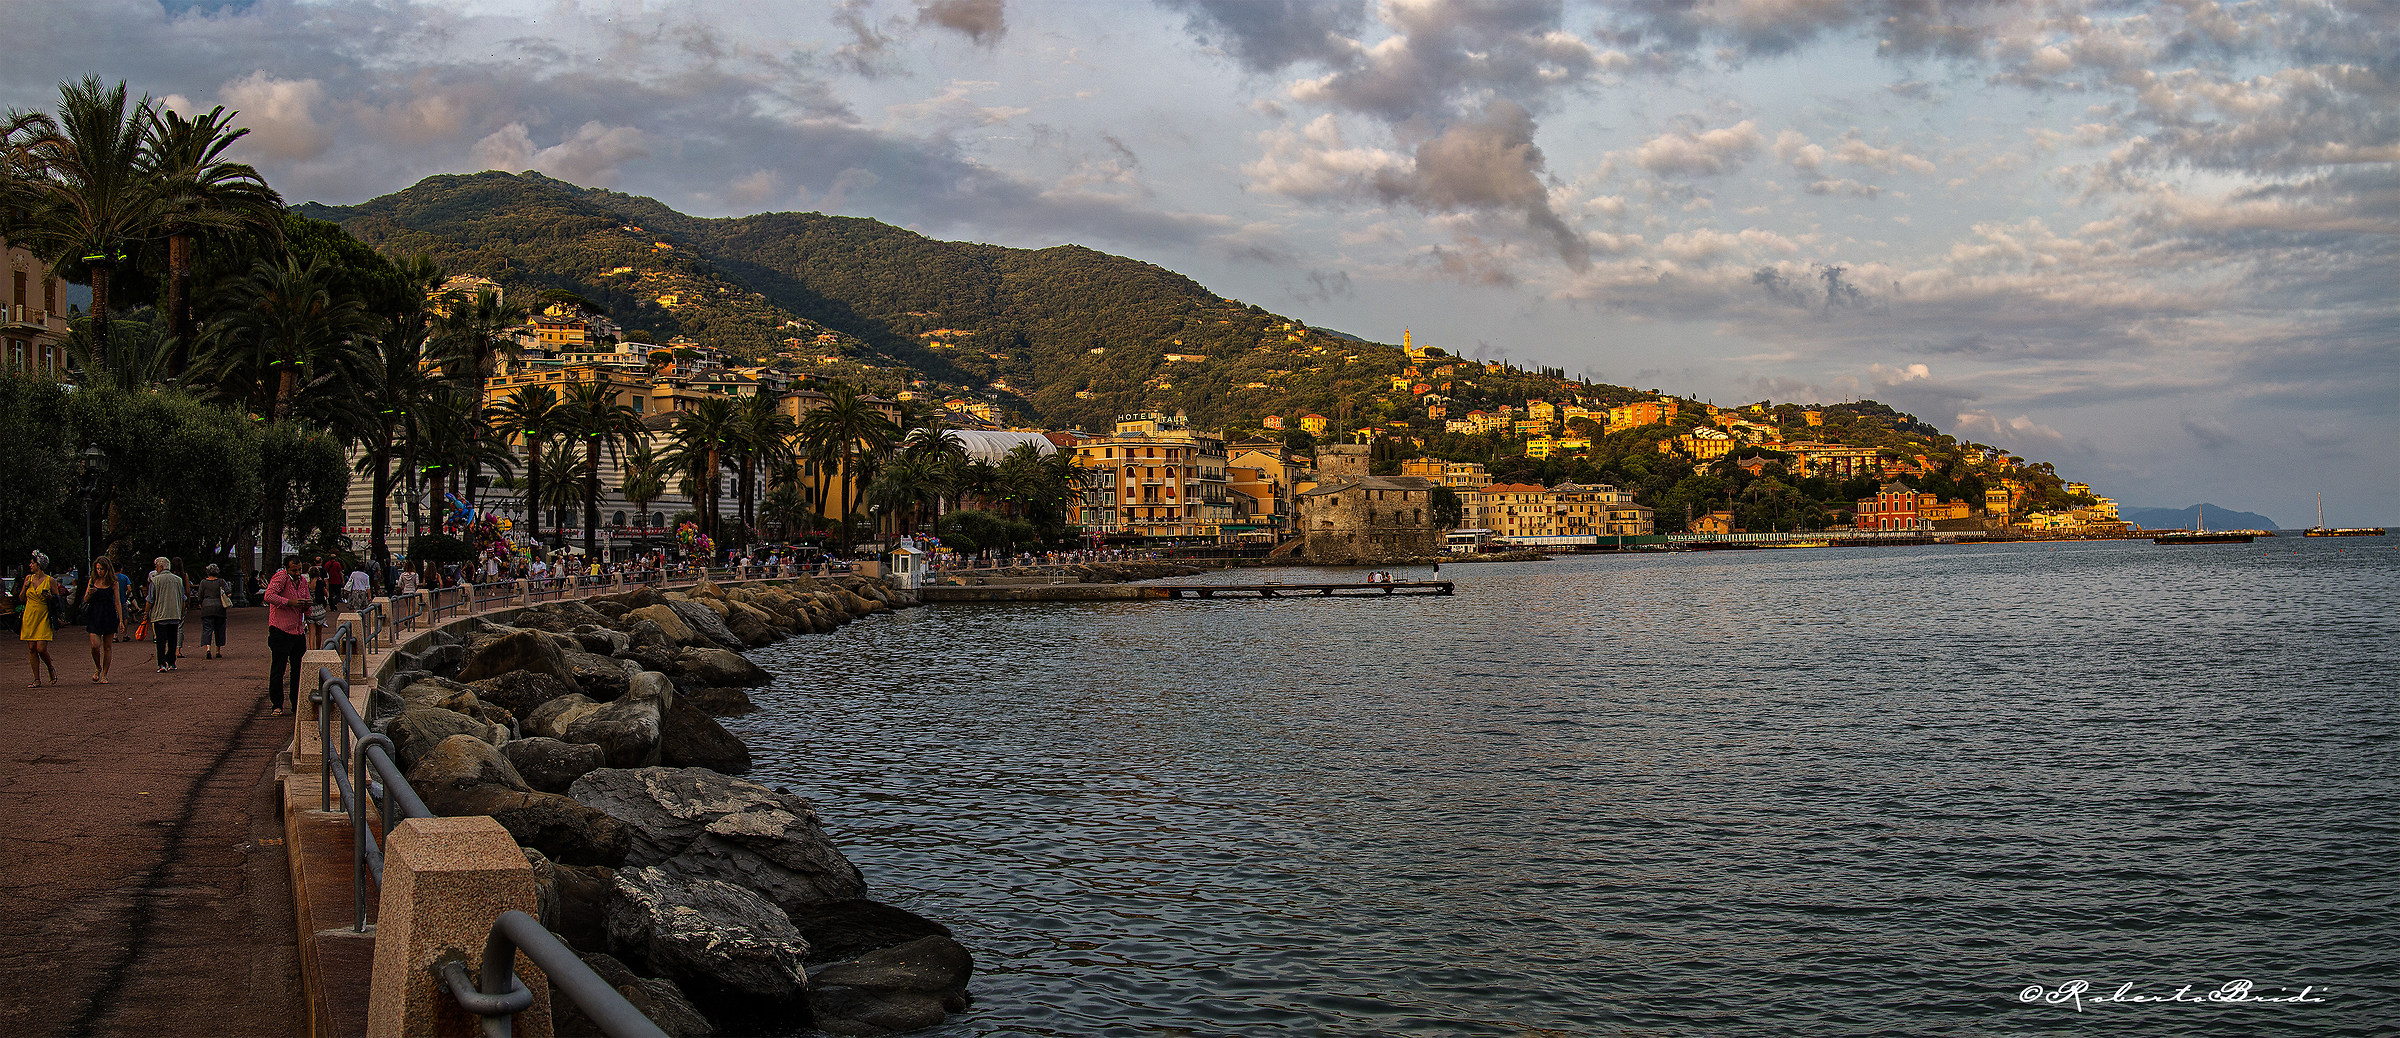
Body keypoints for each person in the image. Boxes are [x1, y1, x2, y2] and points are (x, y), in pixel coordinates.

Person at [263, 556, 311, 716]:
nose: (297, 573)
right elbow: (268, 596)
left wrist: (306, 606)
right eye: (294, 570)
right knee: (279, 668)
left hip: (297, 630)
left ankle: (296, 703)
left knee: (298, 669)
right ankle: (277, 704)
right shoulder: (281, 578)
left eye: (299, 570)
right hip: (280, 629)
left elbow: (307, 600)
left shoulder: (303, 581)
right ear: (287, 568)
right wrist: (288, 602)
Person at [18, 553, 60, 688]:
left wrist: (50, 597)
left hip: (43, 616)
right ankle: (36, 679)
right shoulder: (28, 579)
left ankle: (50, 667)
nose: (30, 565)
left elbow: (58, 601)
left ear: (39, 565)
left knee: (41, 648)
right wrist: (25, 587)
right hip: (30, 616)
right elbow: (21, 598)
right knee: (31, 648)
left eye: (32, 563)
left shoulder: (50, 580)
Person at [83, 557, 120, 683]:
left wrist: (121, 620)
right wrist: (89, 593)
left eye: (102, 569)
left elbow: (118, 602)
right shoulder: (93, 580)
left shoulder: (113, 582)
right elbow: (85, 599)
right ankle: (97, 667)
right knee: (95, 646)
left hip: (108, 614)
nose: (99, 571)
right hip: (95, 614)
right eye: (98, 569)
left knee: (107, 647)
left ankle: (104, 673)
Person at [147, 557, 186, 672]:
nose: (155, 568)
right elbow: (183, 598)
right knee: (173, 639)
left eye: (156, 566)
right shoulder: (178, 580)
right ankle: (172, 662)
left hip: (160, 615)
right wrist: (181, 612)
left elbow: (150, 599)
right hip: (174, 613)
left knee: (161, 640)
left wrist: (146, 613)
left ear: (160, 566)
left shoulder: (155, 580)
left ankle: (162, 664)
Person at [193, 563, 231, 660]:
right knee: (219, 630)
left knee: (207, 629)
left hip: (206, 607)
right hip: (219, 608)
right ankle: (218, 651)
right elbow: (229, 592)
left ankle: (208, 649)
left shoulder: (203, 582)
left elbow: (199, 596)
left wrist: (201, 603)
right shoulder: (221, 582)